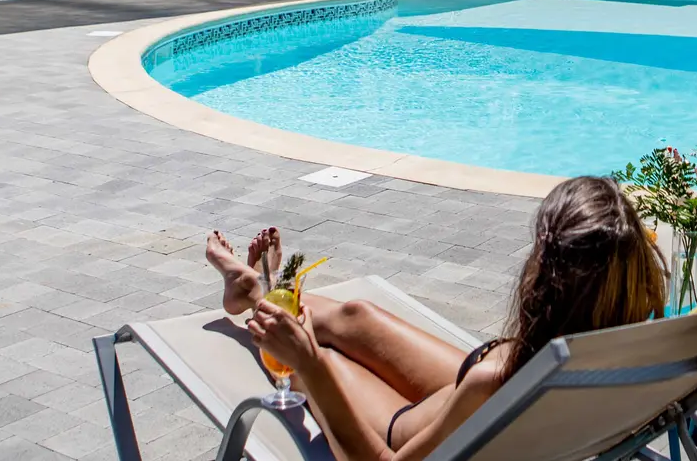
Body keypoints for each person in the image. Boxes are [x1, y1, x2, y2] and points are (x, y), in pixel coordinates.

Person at [205, 175, 665, 461]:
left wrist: (309, 365)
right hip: (503, 382)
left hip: (406, 429)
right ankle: (258, 288)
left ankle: (253, 295)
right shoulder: (635, 346)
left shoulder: (490, 385)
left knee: (307, 343)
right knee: (356, 314)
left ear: (549, 280)